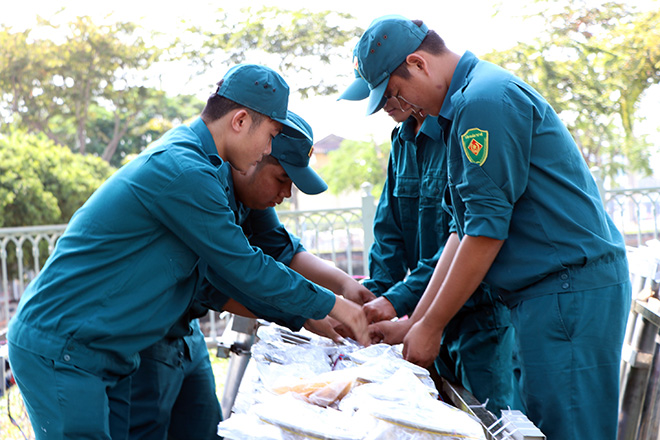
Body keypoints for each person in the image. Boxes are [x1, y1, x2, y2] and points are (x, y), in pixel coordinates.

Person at [7, 64, 370, 440]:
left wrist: (316, 308)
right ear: (241, 121)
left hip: (107, 353)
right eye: (270, 136)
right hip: (65, 347)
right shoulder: (184, 171)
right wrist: (333, 305)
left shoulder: (209, 171)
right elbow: (244, 266)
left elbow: (232, 269)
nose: (267, 149)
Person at [347, 15, 631, 440]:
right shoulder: (463, 106)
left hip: (567, 290)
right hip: (545, 295)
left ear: (419, 63)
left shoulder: (484, 101)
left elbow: (485, 233)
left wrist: (431, 326)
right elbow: (461, 233)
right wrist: (416, 322)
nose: (400, 108)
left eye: (395, 93)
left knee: (570, 429)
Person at [129, 112, 375, 440]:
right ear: (253, 155)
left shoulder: (250, 196)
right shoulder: (199, 185)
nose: (286, 193)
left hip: (186, 334)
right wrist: (310, 313)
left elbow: (282, 250)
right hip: (146, 334)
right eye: (281, 179)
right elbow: (223, 281)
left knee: (206, 428)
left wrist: (345, 286)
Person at [340, 77, 516, 414]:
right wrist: (372, 300)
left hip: (478, 317)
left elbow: (465, 233)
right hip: (422, 316)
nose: (383, 105)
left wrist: (399, 301)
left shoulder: (460, 132)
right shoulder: (401, 141)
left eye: (387, 94)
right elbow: (388, 233)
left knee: (488, 418)